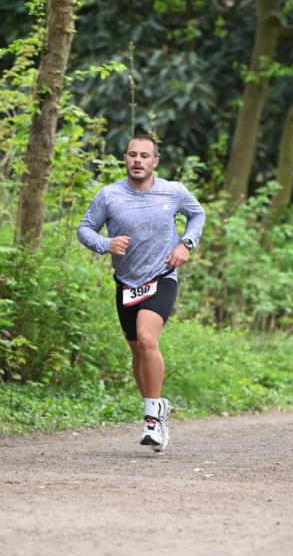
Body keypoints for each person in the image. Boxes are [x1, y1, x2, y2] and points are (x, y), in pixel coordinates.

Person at [77, 133, 205, 452]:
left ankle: (152, 421)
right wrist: (105, 243)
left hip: (162, 276)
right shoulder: (109, 195)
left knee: (148, 340)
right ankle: (157, 408)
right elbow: (85, 229)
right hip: (126, 283)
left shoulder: (173, 191)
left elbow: (197, 214)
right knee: (138, 352)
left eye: (144, 156)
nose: (137, 160)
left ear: (155, 161)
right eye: (132, 154)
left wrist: (186, 244)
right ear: (125, 158)